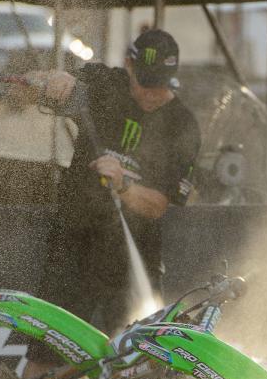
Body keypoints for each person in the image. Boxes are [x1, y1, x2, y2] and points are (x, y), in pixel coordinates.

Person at [17, 28, 201, 332]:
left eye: (160, 86)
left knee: (133, 357)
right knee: (48, 349)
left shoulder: (182, 124)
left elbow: (157, 206)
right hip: (75, 243)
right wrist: (53, 79)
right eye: (144, 83)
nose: (151, 94)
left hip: (133, 258)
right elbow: (23, 89)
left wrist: (122, 185)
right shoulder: (103, 83)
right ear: (129, 65)